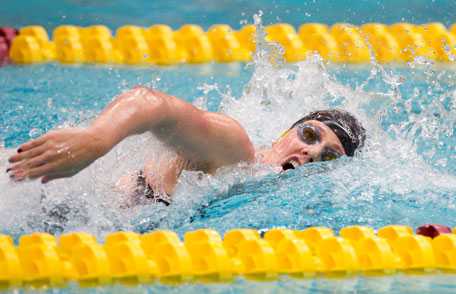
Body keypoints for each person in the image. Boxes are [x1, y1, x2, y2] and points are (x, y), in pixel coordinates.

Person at [6, 86, 366, 205]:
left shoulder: (253, 189)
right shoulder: (236, 150)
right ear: (283, 134)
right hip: (49, 198)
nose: (310, 153)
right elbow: (151, 103)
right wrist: (97, 139)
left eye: (328, 157)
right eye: (309, 135)